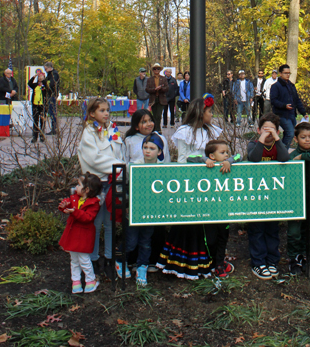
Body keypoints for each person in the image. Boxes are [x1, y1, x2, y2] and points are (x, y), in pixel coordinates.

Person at [158, 95, 222, 279]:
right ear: (200, 113)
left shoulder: (212, 131)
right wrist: (200, 162)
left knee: (206, 222)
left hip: (209, 182)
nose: (212, 115)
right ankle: (184, 262)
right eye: (210, 112)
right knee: (189, 223)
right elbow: (183, 159)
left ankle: (207, 260)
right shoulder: (185, 131)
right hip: (191, 182)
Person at [78, 97, 124, 280]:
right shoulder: (89, 133)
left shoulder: (113, 130)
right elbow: (93, 158)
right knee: (95, 223)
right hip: (96, 185)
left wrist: (120, 169)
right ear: (92, 113)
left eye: (107, 110)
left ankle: (110, 258)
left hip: (112, 182)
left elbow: (119, 151)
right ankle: (94, 259)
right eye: (102, 110)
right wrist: (118, 165)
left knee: (110, 222)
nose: (106, 113)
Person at [187, 139, 241, 277]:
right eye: (222, 152)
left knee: (223, 238)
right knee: (210, 240)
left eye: (226, 152)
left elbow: (238, 156)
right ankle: (211, 262)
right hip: (208, 212)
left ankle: (219, 264)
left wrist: (229, 160)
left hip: (224, 211)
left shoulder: (226, 164)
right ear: (212, 156)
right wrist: (204, 160)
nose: (225, 154)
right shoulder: (205, 164)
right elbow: (190, 157)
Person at [246, 113, 289, 279]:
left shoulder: (278, 145)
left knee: (272, 230)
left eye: (272, 130)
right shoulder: (253, 145)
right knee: (257, 230)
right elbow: (254, 158)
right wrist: (262, 140)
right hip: (256, 196)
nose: (269, 133)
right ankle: (258, 262)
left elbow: (284, 158)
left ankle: (272, 261)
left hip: (273, 197)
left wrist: (277, 139)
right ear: (258, 130)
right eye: (265, 129)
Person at [120, 132, 165, 286]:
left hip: (150, 212)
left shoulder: (163, 169)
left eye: (152, 148)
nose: (147, 150)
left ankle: (142, 267)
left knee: (146, 241)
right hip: (134, 211)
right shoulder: (133, 166)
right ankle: (121, 261)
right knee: (131, 241)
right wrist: (126, 206)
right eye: (145, 147)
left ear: (159, 152)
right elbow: (126, 188)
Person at [287, 122, 310, 275]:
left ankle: (303, 254)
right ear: (296, 139)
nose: (307, 140)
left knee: (307, 229)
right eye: (303, 137)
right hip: (296, 199)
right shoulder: (291, 155)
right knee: (294, 231)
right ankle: (293, 258)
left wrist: (303, 156)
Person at [58, 172, 102, 294]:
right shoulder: (74, 199)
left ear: (86, 189)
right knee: (74, 260)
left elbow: (88, 217)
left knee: (84, 259)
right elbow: (66, 205)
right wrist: (64, 206)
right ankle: (76, 282)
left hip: (83, 237)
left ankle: (89, 280)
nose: (75, 187)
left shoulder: (94, 203)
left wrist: (74, 211)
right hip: (73, 236)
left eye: (78, 185)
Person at [270, 64, 306, 149]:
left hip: (291, 115)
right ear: (280, 73)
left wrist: (303, 113)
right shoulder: (275, 86)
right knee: (290, 133)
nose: (288, 75)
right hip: (281, 115)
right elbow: (273, 101)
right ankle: (282, 152)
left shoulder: (291, 86)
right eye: (285, 73)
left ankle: (280, 151)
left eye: (289, 73)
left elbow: (297, 100)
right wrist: (284, 106)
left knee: (288, 134)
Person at [145, 63, 168, 133]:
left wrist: (160, 88)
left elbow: (167, 88)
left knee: (159, 115)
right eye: (155, 69)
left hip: (161, 99)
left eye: (158, 69)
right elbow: (147, 89)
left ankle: (158, 128)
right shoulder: (150, 79)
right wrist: (155, 89)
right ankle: (155, 128)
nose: (156, 70)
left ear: (160, 70)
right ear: (153, 70)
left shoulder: (163, 79)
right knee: (154, 115)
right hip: (153, 99)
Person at [28, 68, 49, 143]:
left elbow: (48, 88)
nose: (40, 78)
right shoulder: (35, 85)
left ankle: (42, 136)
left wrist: (43, 81)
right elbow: (29, 83)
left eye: (41, 77)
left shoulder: (45, 86)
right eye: (39, 77)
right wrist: (34, 76)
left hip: (42, 105)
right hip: (35, 105)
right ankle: (34, 136)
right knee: (35, 121)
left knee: (42, 121)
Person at [43, 61, 60, 135]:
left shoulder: (54, 74)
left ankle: (54, 129)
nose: (45, 70)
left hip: (52, 94)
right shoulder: (50, 74)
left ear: (50, 68)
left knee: (52, 112)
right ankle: (54, 128)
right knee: (51, 112)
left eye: (46, 69)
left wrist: (45, 85)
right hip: (49, 94)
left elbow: (52, 84)